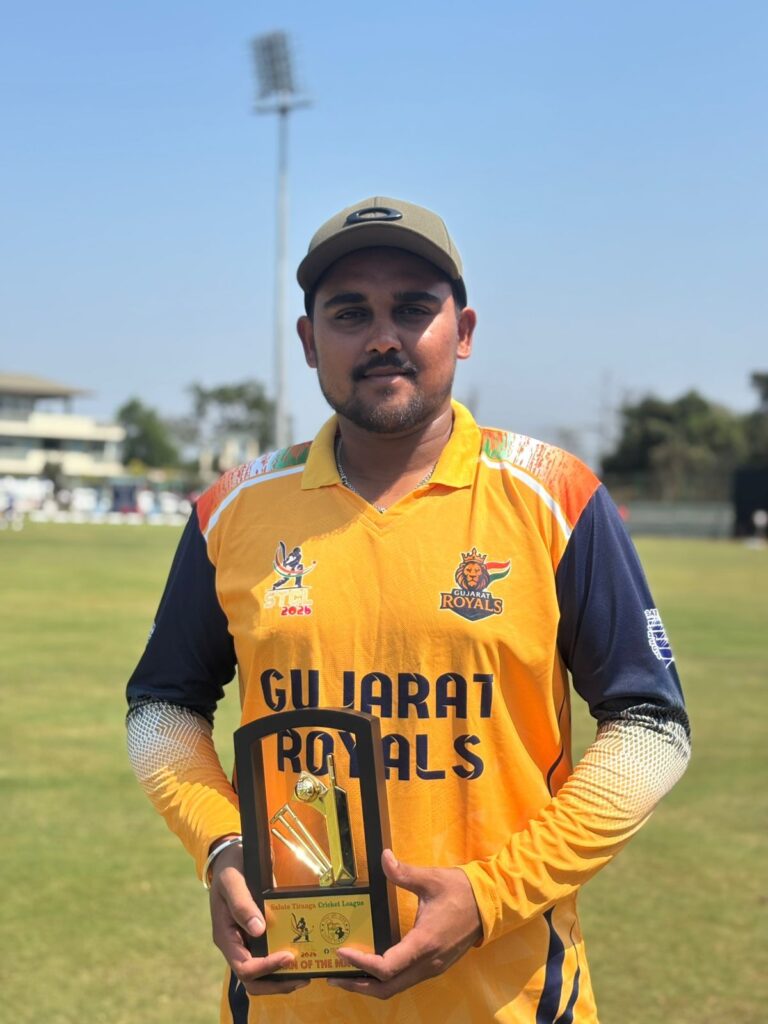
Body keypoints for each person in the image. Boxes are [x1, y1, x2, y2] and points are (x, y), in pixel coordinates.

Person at [126, 196, 690, 1023]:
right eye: (350, 313)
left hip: (511, 1000)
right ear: (309, 341)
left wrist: (493, 894)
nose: (383, 337)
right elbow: (159, 711)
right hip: (292, 1002)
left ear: (463, 331)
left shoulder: (556, 496)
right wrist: (223, 845)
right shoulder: (232, 509)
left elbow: (651, 727)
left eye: (414, 309)